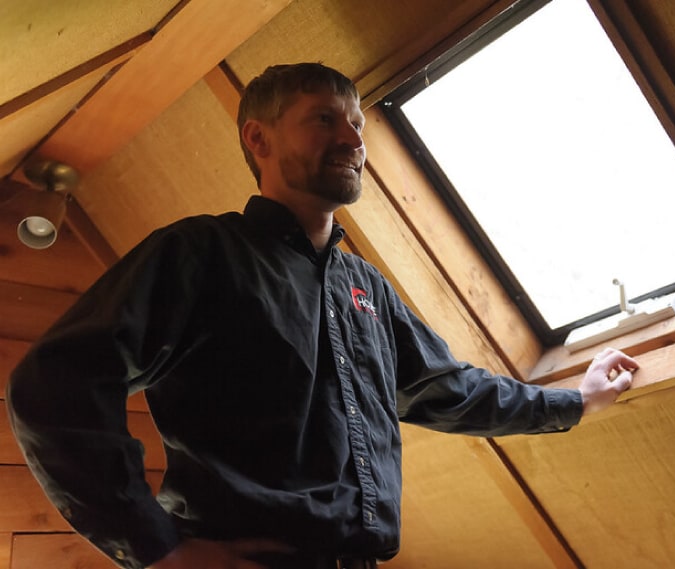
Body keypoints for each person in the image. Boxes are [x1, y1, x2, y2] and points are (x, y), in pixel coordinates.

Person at [6, 63, 638, 569]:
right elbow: (56, 382)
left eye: (359, 123)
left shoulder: (368, 288)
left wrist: (574, 402)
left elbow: (450, 390)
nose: (353, 139)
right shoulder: (200, 253)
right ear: (259, 138)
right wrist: (155, 546)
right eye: (324, 119)